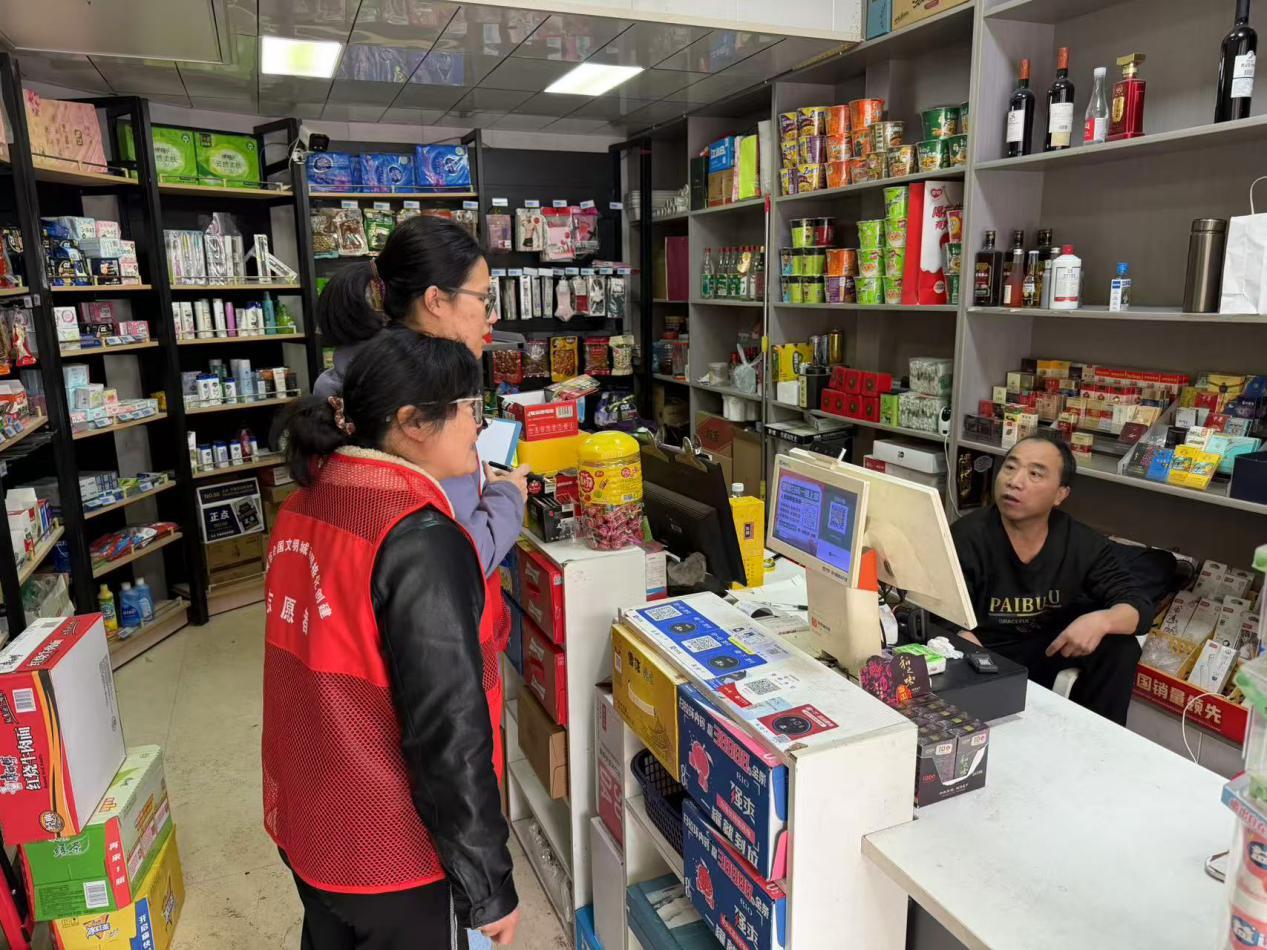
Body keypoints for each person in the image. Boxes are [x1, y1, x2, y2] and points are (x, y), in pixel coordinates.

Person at [263, 329, 519, 948]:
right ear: (412, 422)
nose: (479, 427)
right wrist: (486, 885)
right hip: (391, 852)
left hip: (312, 825)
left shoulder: (306, 505)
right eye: (470, 408)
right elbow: (449, 730)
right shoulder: (418, 539)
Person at [313, 214, 529, 577]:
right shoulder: (422, 403)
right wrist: (508, 497)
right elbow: (461, 555)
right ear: (435, 300)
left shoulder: (347, 377)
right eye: (484, 299)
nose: (492, 317)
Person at [950, 434, 1153, 725]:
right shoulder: (966, 537)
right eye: (1010, 467)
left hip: (1048, 649)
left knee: (1120, 647)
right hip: (985, 652)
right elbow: (936, 613)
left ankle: (1101, 740)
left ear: (1060, 494)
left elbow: (1139, 606)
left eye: (1035, 474)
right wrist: (961, 639)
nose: (1015, 481)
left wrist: (1102, 620)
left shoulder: (1080, 543)